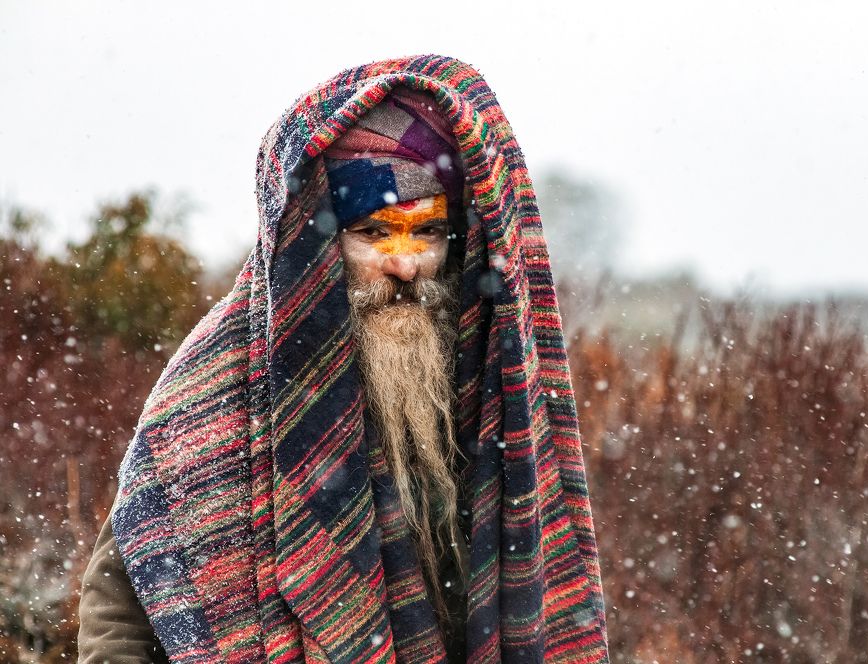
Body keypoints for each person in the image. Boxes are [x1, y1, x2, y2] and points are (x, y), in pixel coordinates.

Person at [78, 54, 608, 664]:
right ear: (318, 241)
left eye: (427, 234)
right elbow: (130, 578)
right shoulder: (218, 381)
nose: (406, 265)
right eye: (377, 233)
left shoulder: (486, 384)